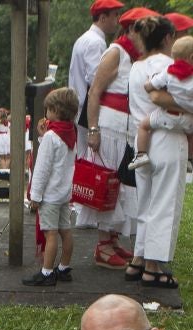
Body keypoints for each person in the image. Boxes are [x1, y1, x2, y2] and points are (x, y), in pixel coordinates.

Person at [83, 8, 148, 270]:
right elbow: (95, 91)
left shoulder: (138, 58)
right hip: (110, 127)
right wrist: (93, 129)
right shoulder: (115, 53)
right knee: (107, 184)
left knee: (121, 186)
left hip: (128, 129)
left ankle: (113, 239)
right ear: (131, 30)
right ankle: (103, 245)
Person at [129, 14, 186, 289]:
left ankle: (138, 257)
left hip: (140, 140)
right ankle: (153, 265)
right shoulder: (172, 66)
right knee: (164, 203)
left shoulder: (135, 67)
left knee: (146, 203)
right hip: (165, 135)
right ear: (167, 38)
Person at [129, 35, 193, 171]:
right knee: (192, 134)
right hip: (186, 120)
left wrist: (148, 86)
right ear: (192, 57)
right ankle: (190, 159)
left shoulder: (168, 72)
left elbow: (153, 84)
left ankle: (141, 154)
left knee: (144, 126)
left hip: (167, 115)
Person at [25, 87, 79, 287]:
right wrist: (43, 135)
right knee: (65, 231)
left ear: (56, 110)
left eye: (48, 109)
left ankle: (47, 272)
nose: (45, 112)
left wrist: (35, 196)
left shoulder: (51, 137)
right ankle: (64, 268)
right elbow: (59, 160)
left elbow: (43, 168)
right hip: (64, 193)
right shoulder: (70, 133)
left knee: (50, 233)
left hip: (49, 195)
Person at [69, 0, 124, 163]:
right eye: (115, 15)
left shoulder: (86, 38)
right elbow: (96, 80)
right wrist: (117, 72)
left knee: (83, 157)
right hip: (86, 109)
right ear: (102, 17)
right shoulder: (96, 42)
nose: (118, 20)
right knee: (88, 161)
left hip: (80, 107)